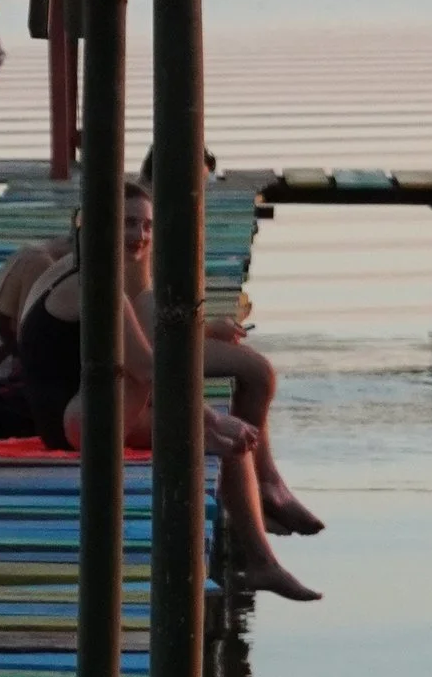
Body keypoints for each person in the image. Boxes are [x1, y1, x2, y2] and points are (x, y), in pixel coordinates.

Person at [15, 189, 318, 599]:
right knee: (206, 426)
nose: (140, 234)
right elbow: (146, 367)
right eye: (127, 223)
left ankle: (262, 562)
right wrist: (210, 417)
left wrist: (210, 412)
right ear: (99, 225)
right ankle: (260, 551)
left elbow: (146, 350)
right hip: (77, 418)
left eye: (147, 225)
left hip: (99, 404)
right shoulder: (95, 284)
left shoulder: (107, 273)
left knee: (229, 441)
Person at [137, 146, 322, 539]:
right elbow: (137, 311)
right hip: (136, 346)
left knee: (256, 370)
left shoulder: (166, 218)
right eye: (192, 185)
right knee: (255, 369)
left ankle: (260, 485)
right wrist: (202, 329)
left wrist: (204, 326)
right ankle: (264, 484)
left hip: (154, 336)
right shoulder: (143, 217)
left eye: (204, 187)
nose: (198, 196)